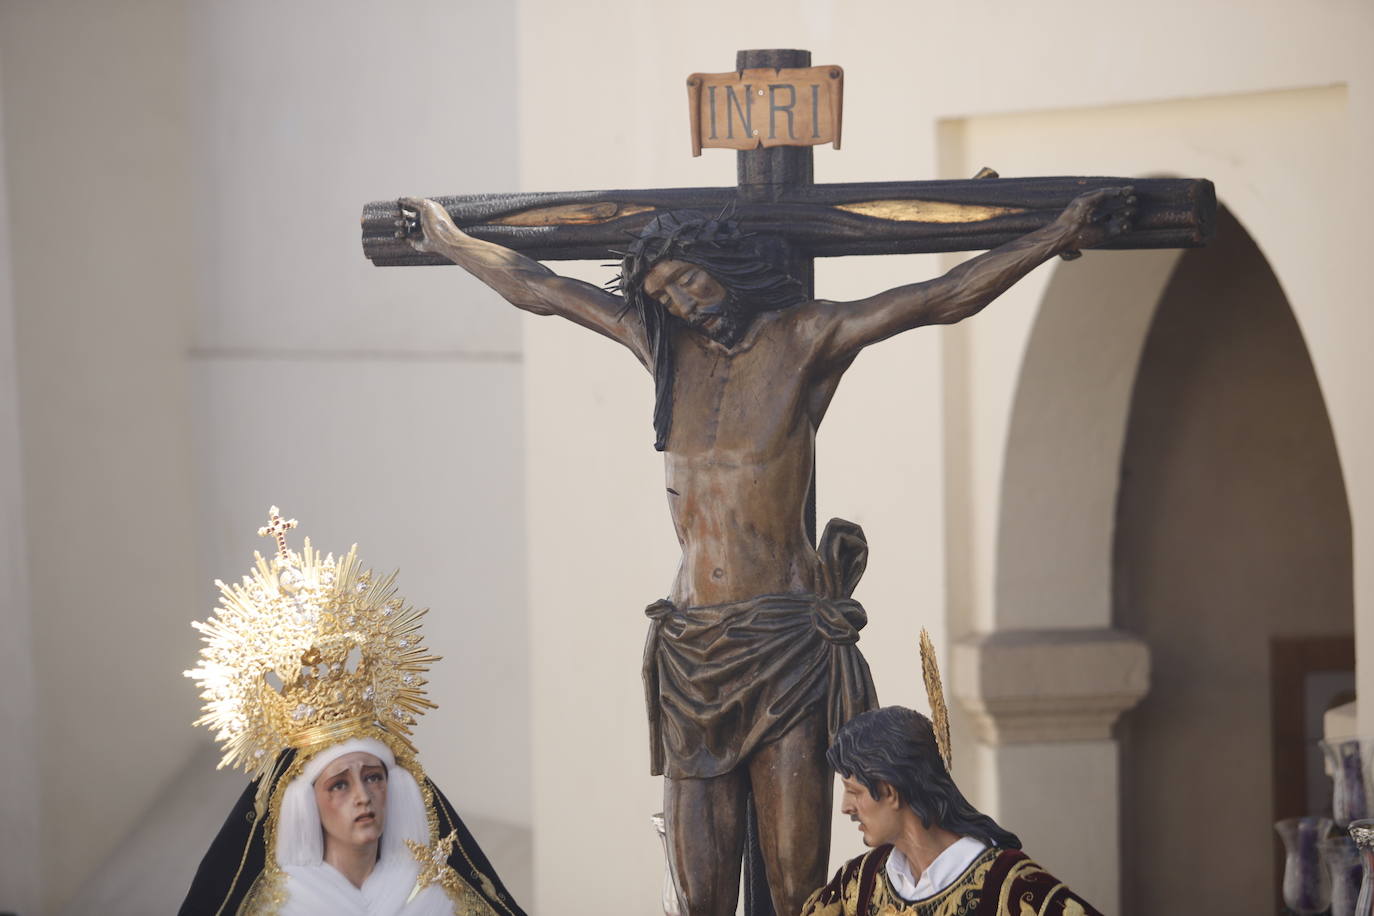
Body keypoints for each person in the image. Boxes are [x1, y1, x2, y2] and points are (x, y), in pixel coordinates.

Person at [400, 187, 1133, 916]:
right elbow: (544, 289)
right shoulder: (666, 352)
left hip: (784, 644)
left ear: (725, 263)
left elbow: (940, 297)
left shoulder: (804, 339)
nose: (684, 301)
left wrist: (1051, 235)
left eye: (688, 278)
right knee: (699, 892)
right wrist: (451, 239)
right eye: (665, 292)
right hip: (693, 651)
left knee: (797, 890)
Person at [179, 508, 524, 916]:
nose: (363, 796)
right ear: (307, 802)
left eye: (373, 777)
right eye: (339, 785)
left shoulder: (439, 896)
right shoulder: (276, 908)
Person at [801, 706, 1101, 916]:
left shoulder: (1011, 888)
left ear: (891, 792)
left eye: (854, 792)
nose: (845, 807)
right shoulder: (859, 881)